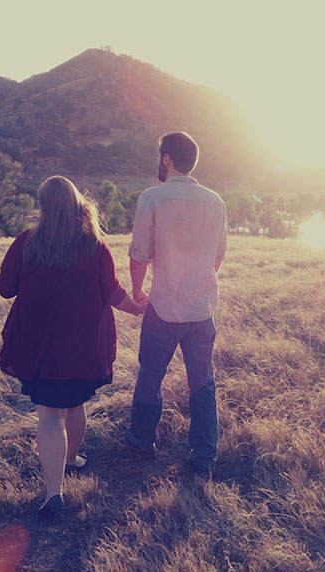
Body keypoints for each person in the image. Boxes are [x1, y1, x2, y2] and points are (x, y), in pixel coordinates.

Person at [0, 175, 146, 519]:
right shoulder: (94, 245)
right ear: (77, 204)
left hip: (38, 345)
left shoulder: (26, 242)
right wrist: (138, 308)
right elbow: (112, 292)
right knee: (75, 403)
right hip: (82, 345)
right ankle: (71, 459)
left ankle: (54, 492)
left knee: (50, 414)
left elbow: (5, 289)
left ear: (43, 207)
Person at [125, 131, 227, 475]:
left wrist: (137, 291)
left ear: (166, 158)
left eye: (160, 156)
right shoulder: (216, 201)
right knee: (203, 381)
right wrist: (197, 281)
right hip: (202, 309)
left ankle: (142, 439)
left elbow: (139, 254)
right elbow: (218, 256)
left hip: (163, 305)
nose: (158, 161)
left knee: (151, 374)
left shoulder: (152, 198)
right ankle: (204, 454)